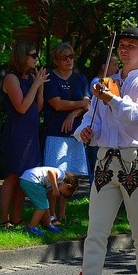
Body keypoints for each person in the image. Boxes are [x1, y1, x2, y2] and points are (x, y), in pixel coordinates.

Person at [59, 27, 138, 275]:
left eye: (131, 46)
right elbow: (92, 119)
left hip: (137, 163)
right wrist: (85, 131)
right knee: (96, 231)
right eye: (122, 45)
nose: (124, 49)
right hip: (106, 162)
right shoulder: (106, 83)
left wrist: (112, 99)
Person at [0, 40, 47, 230]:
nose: (37, 59)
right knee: (12, 176)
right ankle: (5, 219)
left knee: (25, 177)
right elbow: (21, 107)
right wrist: (36, 85)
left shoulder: (30, 78)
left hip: (31, 134)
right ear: (22, 56)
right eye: (33, 55)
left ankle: (17, 218)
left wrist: (40, 85)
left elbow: (38, 107)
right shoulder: (11, 79)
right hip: (17, 133)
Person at [43, 42, 91, 225]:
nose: (69, 60)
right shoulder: (50, 78)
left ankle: (63, 213)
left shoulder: (80, 79)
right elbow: (57, 104)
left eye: (71, 56)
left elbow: (88, 103)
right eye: (64, 58)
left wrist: (72, 114)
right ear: (56, 61)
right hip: (55, 132)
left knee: (71, 177)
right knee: (55, 175)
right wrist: (79, 105)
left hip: (76, 133)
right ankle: (51, 214)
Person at [86, 51, 120, 186]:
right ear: (103, 66)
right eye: (115, 65)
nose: (117, 68)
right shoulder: (98, 82)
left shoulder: (112, 82)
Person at [19, 166, 79, 235]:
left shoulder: (60, 178)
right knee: (42, 207)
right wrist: (55, 188)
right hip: (32, 180)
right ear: (68, 186)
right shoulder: (62, 175)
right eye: (62, 193)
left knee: (45, 204)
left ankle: (48, 224)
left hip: (28, 179)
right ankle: (31, 227)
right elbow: (51, 172)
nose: (60, 194)